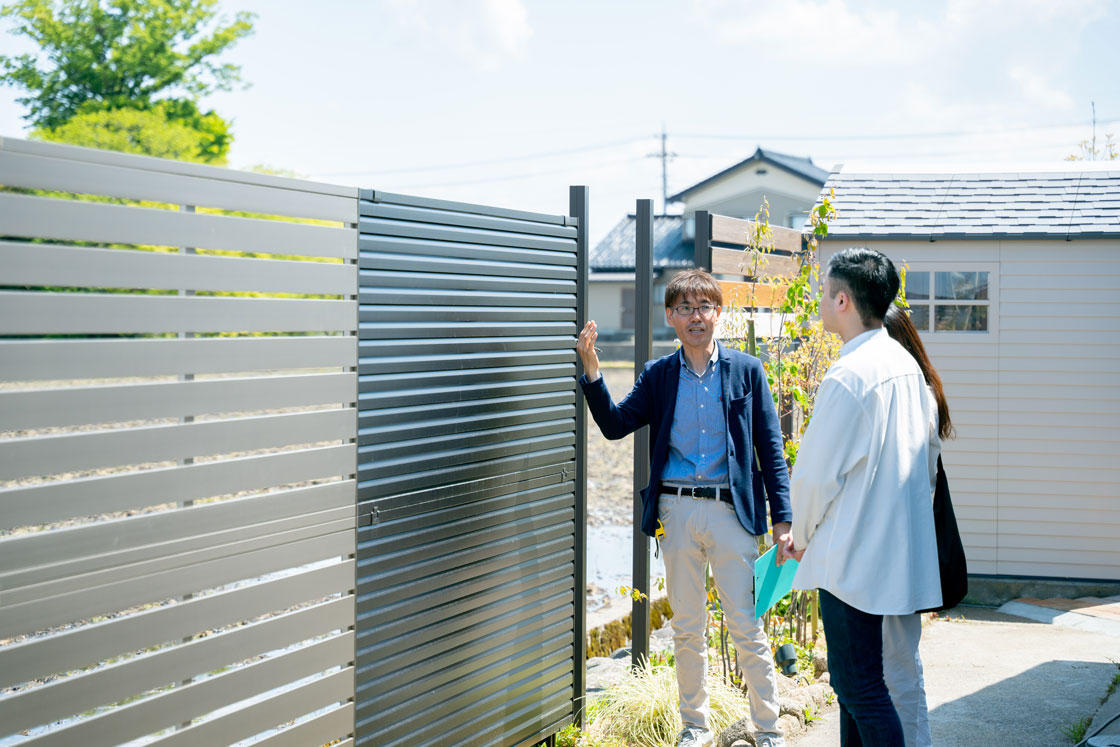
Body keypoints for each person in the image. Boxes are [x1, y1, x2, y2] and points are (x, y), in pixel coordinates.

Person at [576, 269, 792, 747]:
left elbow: (770, 450)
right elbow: (615, 425)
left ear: (719, 313)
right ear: (671, 317)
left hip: (731, 513)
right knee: (687, 628)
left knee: (745, 623)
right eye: (686, 308)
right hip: (676, 511)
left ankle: (770, 728)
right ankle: (695, 728)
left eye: (705, 307)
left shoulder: (747, 370)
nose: (697, 316)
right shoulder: (659, 375)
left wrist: (783, 522)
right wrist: (592, 370)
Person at [780, 248, 940, 746]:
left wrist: (799, 536)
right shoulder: (906, 367)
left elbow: (813, 477)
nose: (820, 301)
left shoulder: (849, 375)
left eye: (824, 293)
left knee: (860, 687)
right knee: (860, 688)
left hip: (850, 558)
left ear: (843, 299)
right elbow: (928, 463)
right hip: (896, 550)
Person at [881, 303, 955, 747]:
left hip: (899, 549)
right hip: (901, 547)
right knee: (895, 666)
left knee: (900, 667)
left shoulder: (914, 396)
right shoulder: (918, 391)